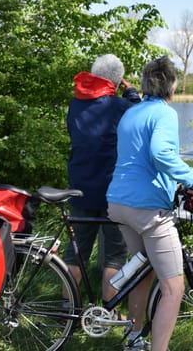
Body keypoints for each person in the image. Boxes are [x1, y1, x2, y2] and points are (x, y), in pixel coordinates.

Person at [107, 55, 193, 351]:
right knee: (174, 288)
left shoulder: (132, 112)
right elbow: (161, 153)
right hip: (147, 209)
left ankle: (135, 340)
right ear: (171, 89)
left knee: (143, 273)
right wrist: (192, 180)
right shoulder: (164, 114)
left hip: (119, 202)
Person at [63, 53, 141, 309]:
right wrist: (130, 93)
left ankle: (68, 309)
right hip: (111, 192)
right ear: (117, 82)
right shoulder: (119, 106)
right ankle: (107, 311)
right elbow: (138, 114)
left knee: (76, 251)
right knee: (115, 255)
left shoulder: (75, 105)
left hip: (80, 189)